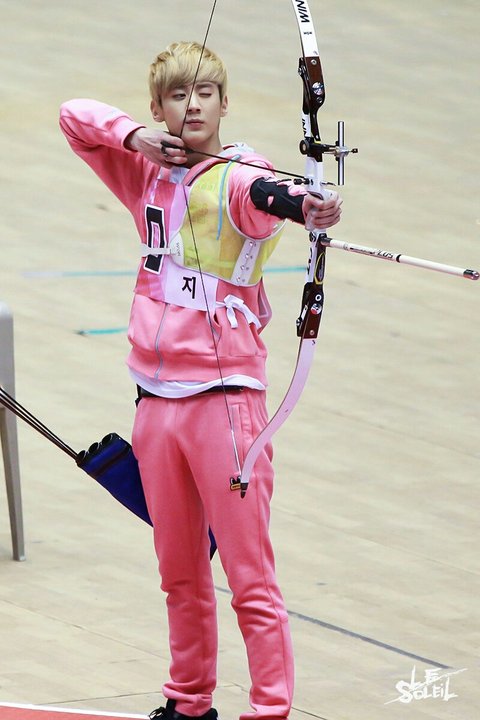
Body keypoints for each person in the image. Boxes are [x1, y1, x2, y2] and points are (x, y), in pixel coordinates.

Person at [60, 41, 341, 720]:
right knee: (180, 575)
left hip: (226, 407)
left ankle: (269, 710)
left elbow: (269, 195)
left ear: (223, 103)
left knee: (249, 578)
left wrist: (306, 203)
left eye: (205, 93)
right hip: (155, 403)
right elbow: (74, 115)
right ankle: (189, 703)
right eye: (178, 95)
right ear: (158, 108)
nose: (193, 106)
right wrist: (135, 138)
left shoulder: (240, 177)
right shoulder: (144, 171)